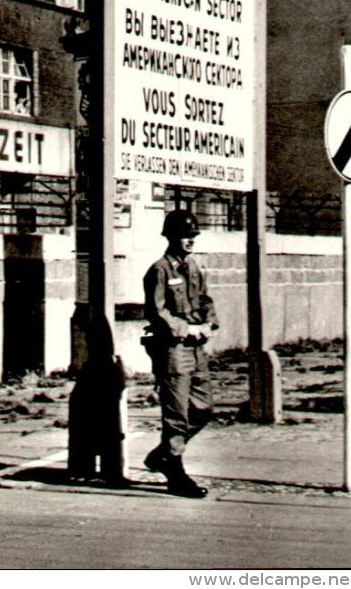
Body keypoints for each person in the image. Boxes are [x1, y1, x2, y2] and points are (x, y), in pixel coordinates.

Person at [142, 209, 218, 499]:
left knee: (203, 409)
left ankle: (163, 454)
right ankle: (175, 471)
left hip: (197, 347)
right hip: (173, 348)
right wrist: (185, 328)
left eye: (193, 236)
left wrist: (209, 322)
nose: (190, 241)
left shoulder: (194, 267)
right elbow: (156, 311)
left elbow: (205, 299)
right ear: (171, 237)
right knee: (176, 414)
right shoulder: (160, 270)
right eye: (185, 236)